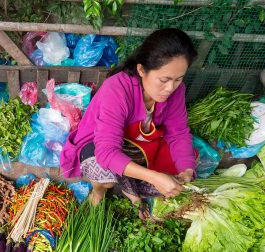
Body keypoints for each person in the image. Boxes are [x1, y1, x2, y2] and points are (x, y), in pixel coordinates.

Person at [60, 28, 198, 219]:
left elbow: (178, 133)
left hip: (138, 144)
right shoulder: (117, 89)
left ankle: (132, 188)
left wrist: (186, 170)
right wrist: (154, 177)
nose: (170, 88)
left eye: (178, 79)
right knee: (104, 174)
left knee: (179, 174)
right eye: (164, 80)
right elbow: (106, 152)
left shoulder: (176, 90)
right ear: (142, 70)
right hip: (100, 144)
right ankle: (99, 190)